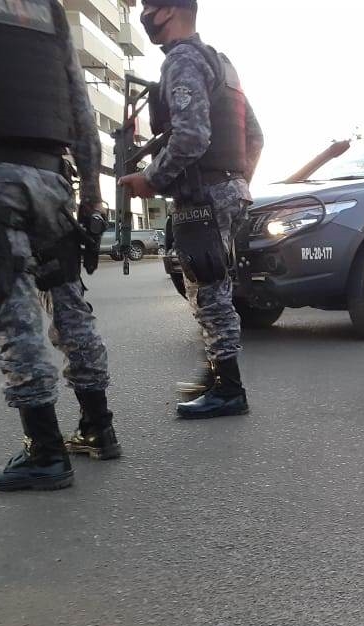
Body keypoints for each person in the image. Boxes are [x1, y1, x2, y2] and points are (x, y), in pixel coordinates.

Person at [0, 0, 120, 492]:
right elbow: (80, 110)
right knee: (70, 307)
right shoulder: (48, 10)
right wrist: (92, 198)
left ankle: (46, 453)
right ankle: (99, 427)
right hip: (52, 179)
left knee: (14, 318)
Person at [120, 0, 264, 419]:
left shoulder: (183, 59)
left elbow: (190, 137)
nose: (145, 15)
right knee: (212, 285)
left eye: (149, 7)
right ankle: (217, 374)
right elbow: (255, 135)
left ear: (168, 11)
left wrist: (151, 179)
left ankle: (229, 389)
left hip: (204, 196)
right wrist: (238, 183)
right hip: (226, 190)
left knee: (209, 292)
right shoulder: (220, 63)